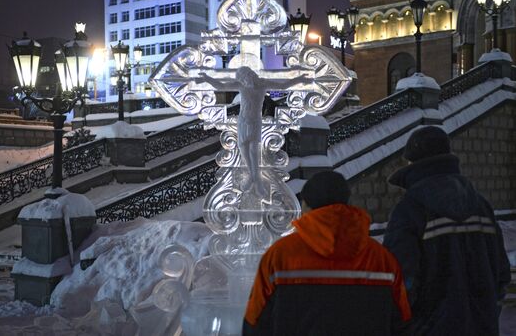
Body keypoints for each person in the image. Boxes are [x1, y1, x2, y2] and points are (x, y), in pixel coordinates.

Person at [243, 171, 411, 335]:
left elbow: (255, 320)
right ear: (347, 202)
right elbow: (402, 321)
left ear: (306, 205)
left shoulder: (279, 256)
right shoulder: (381, 259)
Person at [383, 126, 511, 336]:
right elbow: (501, 273)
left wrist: (409, 327)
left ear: (413, 162)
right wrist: (485, 311)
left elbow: (400, 280)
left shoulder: (411, 209)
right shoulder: (481, 206)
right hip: (482, 327)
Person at [197, 67, 310, 196]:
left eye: (243, 77)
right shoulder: (241, 85)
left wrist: (299, 79)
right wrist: (207, 78)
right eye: (241, 78)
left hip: (255, 121)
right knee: (243, 148)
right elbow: (220, 86)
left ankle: (256, 181)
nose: (242, 80)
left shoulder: (263, 84)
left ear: (249, 74)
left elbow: (283, 85)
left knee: (253, 150)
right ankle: (254, 179)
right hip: (243, 121)